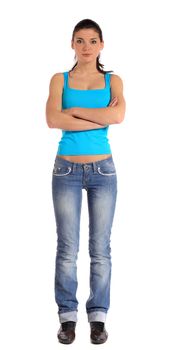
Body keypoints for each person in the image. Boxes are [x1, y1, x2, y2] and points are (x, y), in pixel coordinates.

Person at [46, 18, 126, 345]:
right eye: (80, 41)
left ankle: (98, 319)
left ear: (101, 45)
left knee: (100, 249)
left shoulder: (113, 80)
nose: (87, 47)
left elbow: (118, 116)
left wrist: (75, 111)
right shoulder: (59, 79)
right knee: (67, 248)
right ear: (72, 44)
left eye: (93, 41)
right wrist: (97, 116)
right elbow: (53, 119)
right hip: (66, 169)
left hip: (103, 172)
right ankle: (67, 318)